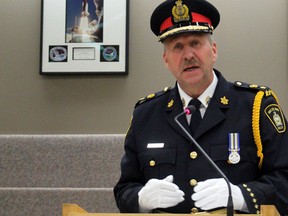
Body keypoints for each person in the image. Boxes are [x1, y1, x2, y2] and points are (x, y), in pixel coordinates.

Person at [113, 0, 288, 215]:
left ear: (213, 50)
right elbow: (124, 190)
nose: (188, 55)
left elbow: (284, 180)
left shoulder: (256, 106)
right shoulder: (146, 114)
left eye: (195, 43)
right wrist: (141, 199)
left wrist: (241, 195)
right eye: (177, 47)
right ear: (166, 59)